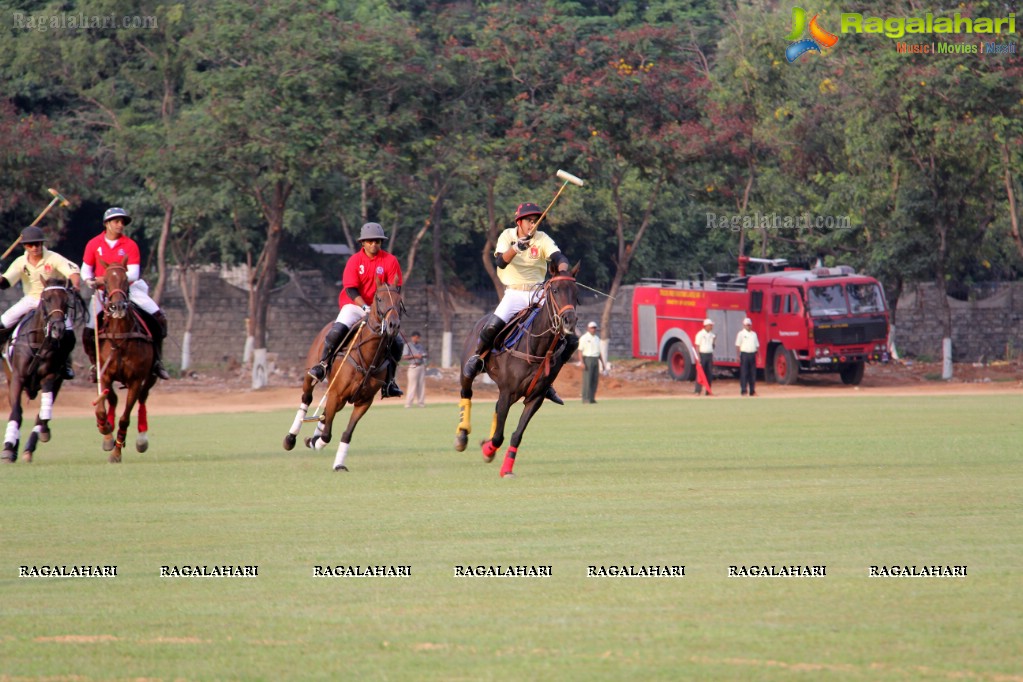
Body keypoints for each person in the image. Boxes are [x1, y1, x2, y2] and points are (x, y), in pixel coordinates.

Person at [462, 202, 576, 405]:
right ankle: (478, 358)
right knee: (491, 327)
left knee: (568, 338)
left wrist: (564, 270)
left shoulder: (542, 239)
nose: (533, 224)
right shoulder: (507, 236)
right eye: (529, 221)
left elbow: (559, 257)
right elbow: (500, 262)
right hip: (514, 293)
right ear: (519, 222)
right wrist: (516, 248)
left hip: (539, 293)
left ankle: (547, 380)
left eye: (536, 221)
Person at [307, 222, 404, 398]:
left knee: (397, 342)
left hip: (379, 312)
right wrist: (364, 306)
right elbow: (351, 289)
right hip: (354, 305)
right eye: (370, 241)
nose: (374, 244)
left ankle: (389, 382)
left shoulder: (390, 261)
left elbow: (394, 288)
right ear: (363, 243)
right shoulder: (355, 261)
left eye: (377, 241)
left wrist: (385, 310)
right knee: (336, 331)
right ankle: (322, 365)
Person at [80, 207, 170, 381]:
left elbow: (134, 274)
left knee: (158, 315)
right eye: (116, 221)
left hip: (129, 289)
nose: (120, 225)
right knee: (89, 328)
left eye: (122, 222)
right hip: (103, 292)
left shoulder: (130, 245)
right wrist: (90, 281)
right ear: (107, 224)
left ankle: (157, 361)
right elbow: (86, 270)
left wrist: (109, 278)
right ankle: (95, 364)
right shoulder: (94, 244)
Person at [0, 226, 81, 379]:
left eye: (38, 244)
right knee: (3, 322)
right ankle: (4, 352)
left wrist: (75, 284)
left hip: (54, 303)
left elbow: (73, 271)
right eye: (31, 245)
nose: (35, 247)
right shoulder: (20, 262)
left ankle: (66, 363)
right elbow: (6, 282)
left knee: (68, 334)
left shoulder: (53, 258)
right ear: (25, 246)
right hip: (31, 300)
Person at [576, 321, 605, 404]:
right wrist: (581, 362)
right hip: (587, 359)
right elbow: (580, 351)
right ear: (588, 328)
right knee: (587, 380)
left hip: (595, 359)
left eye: (595, 328)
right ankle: (586, 398)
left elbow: (599, 352)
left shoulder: (597, 338)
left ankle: (592, 398)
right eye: (592, 328)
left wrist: (602, 363)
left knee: (594, 380)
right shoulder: (584, 338)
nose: (593, 329)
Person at [735, 317, 760, 396]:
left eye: (749, 325)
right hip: (744, 354)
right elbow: (738, 345)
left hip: (752, 354)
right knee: (744, 373)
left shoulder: (754, 334)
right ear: (744, 325)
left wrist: (758, 356)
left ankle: (752, 391)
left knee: (752, 373)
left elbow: (757, 345)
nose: (748, 326)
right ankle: (743, 390)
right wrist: (738, 356)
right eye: (747, 325)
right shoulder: (741, 334)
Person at [403, 330, 427, 408]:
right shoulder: (408, 345)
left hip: (421, 366)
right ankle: (408, 403)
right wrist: (415, 356)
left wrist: (423, 357)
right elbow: (405, 357)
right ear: (412, 337)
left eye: (418, 338)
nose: (416, 339)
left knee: (421, 385)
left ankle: (421, 403)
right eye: (415, 337)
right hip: (413, 366)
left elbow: (424, 355)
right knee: (412, 385)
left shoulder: (420, 346)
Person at [693, 318, 715, 395]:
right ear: (706, 326)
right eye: (710, 325)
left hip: (709, 355)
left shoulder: (712, 335)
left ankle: (708, 390)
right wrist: (698, 357)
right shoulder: (700, 334)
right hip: (702, 355)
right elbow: (697, 346)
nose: (712, 327)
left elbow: (713, 345)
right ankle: (697, 390)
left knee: (709, 373)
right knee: (700, 373)